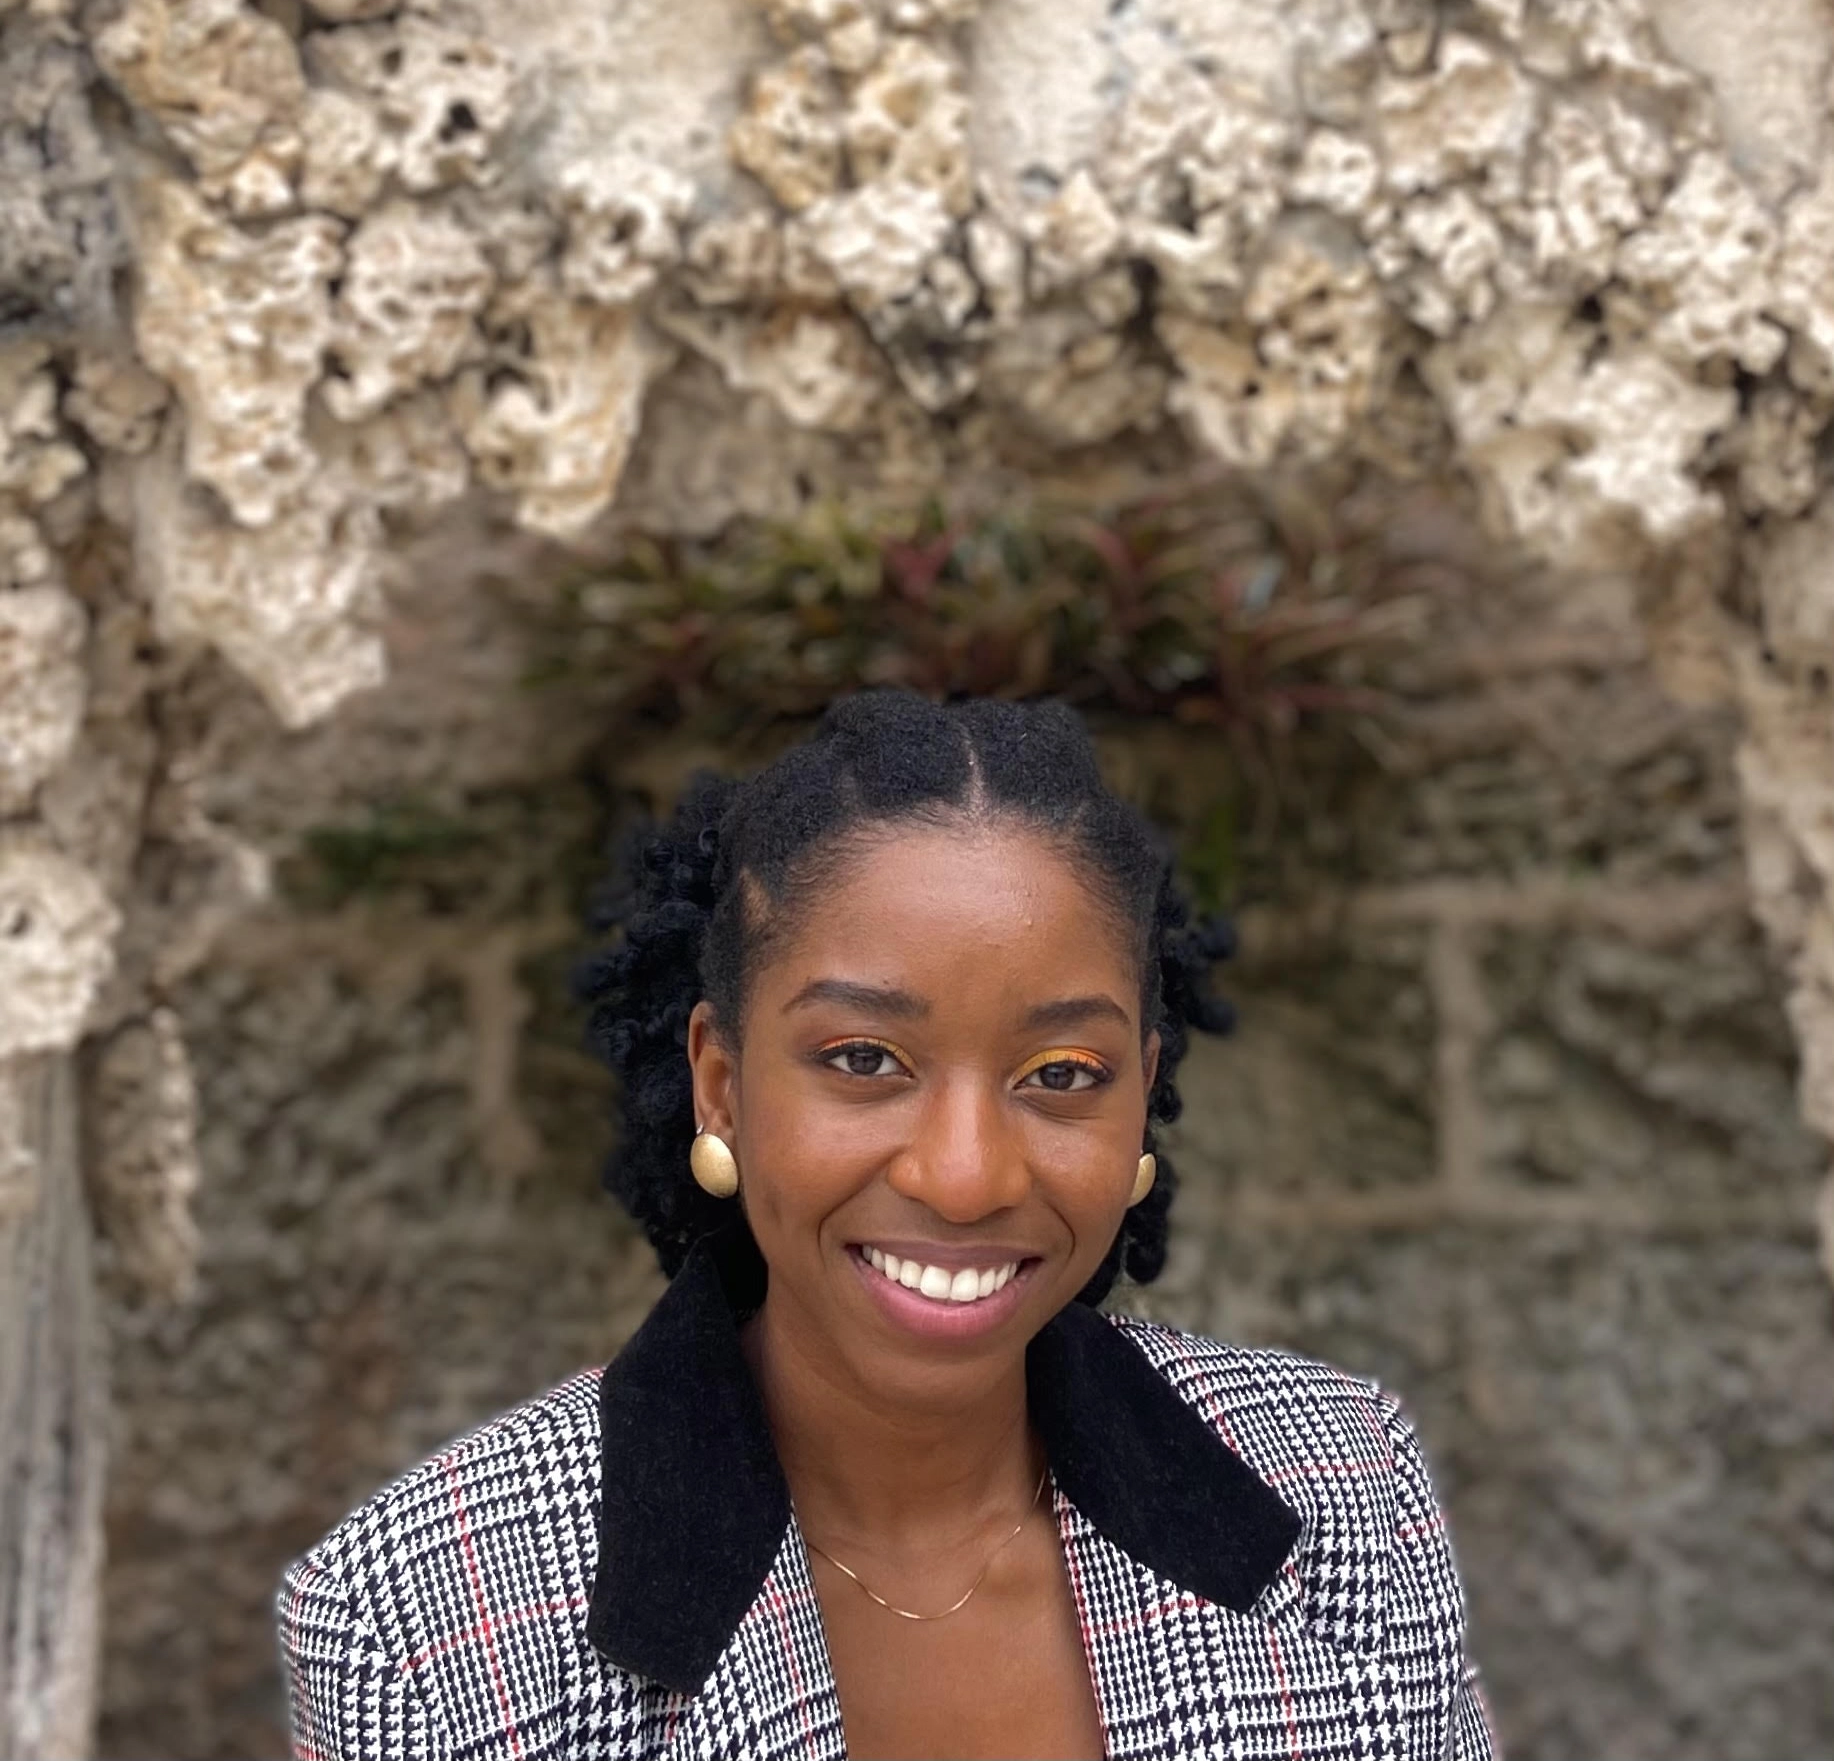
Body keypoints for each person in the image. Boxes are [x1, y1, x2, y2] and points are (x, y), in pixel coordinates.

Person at [278, 690, 1495, 1760]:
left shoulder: (1345, 1497)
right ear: (720, 1085)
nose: (964, 1177)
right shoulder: (426, 1620)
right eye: (864, 1058)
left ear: (1141, 1093)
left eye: (1061, 1073)